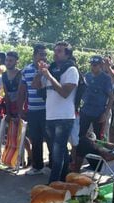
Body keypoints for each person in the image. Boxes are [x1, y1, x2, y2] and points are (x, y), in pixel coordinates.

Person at [32, 41, 79, 183]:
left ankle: (52, 184)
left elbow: (64, 93)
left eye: (59, 51)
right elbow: (35, 86)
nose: (55, 53)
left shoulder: (72, 70)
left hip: (64, 117)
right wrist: (40, 74)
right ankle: (63, 181)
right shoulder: (51, 69)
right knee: (60, 151)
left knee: (57, 153)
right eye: (55, 50)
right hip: (50, 116)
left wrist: (48, 76)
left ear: (67, 54)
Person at [18, 44, 50, 175]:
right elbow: (22, 90)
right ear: (34, 55)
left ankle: (52, 165)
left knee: (49, 138)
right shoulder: (26, 70)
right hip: (32, 110)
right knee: (35, 139)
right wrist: (20, 109)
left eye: (45, 54)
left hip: (47, 110)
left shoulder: (50, 69)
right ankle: (37, 166)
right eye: (41, 54)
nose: (43, 57)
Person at [79, 55, 113, 140]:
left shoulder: (106, 78)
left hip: (99, 112)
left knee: (98, 137)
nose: (92, 67)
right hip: (85, 111)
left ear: (100, 65)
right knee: (81, 134)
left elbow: (111, 97)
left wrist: (105, 113)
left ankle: (98, 153)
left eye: (95, 65)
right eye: (91, 64)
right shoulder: (87, 76)